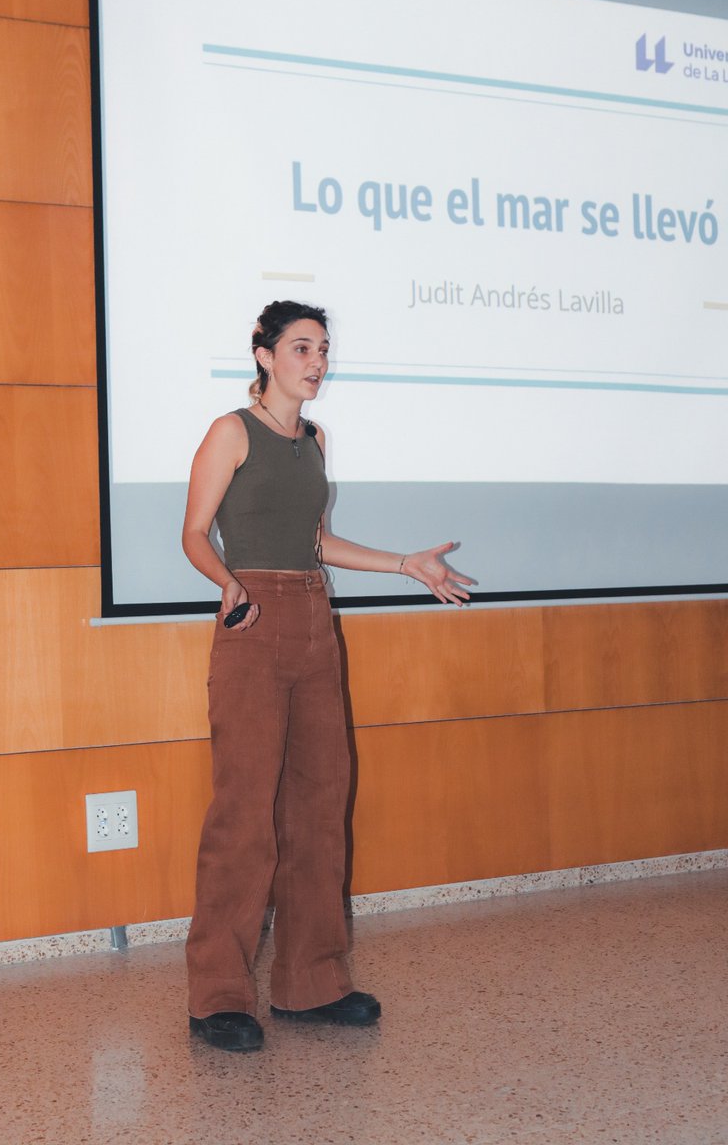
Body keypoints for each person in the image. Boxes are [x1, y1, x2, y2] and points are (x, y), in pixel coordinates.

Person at [183, 300, 472, 1052]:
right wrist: (229, 582)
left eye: (323, 349)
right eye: (302, 347)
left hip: (314, 620)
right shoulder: (230, 433)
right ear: (264, 354)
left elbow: (317, 540)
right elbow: (193, 531)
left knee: (319, 806)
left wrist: (405, 563)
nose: (317, 361)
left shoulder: (313, 439)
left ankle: (311, 984)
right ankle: (218, 994)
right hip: (252, 618)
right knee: (244, 813)